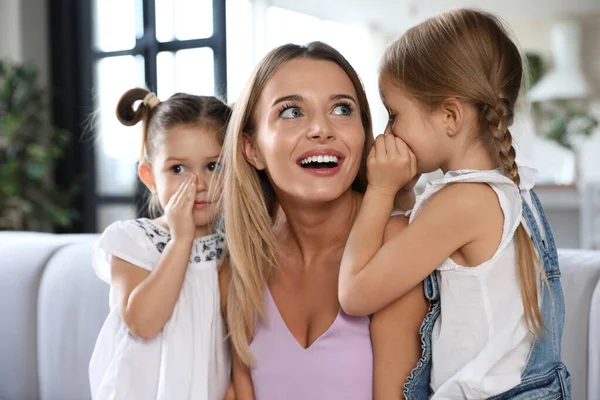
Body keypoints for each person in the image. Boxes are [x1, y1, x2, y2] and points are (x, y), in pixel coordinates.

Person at [339, 9, 571, 399]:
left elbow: (355, 293)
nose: (387, 130)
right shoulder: (511, 190)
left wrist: (378, 191)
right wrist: (401, 195)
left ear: (450, 116)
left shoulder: (461, 203)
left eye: (394, 114)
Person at [219, 41, 436, 400]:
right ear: (252, 149)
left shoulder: (393, 245)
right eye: (291, 112)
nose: (322, 129)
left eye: (341, 109)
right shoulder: (241, 264)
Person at [89, 88, 233, 400]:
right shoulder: (131, 240)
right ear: (150, 177)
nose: (198, 184)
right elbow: (142, 322)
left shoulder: (232, 250)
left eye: (214, 166)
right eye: (178, 169)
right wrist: (182, 241)